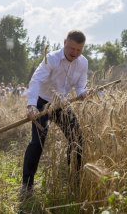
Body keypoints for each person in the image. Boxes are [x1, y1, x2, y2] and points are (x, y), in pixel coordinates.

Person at [21, 30, 88, 194]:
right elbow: (36, 80)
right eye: (72, 48)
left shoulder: (83, 63)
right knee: (38, 142)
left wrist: (82, 93)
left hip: (61, 103)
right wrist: (31, 106)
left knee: (77, 138)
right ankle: (27, 185)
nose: (74, 53)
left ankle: (74, 180)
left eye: (79, 50)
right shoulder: (50, 58)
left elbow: (80, 85)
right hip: (41, 102)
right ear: (65, 42)